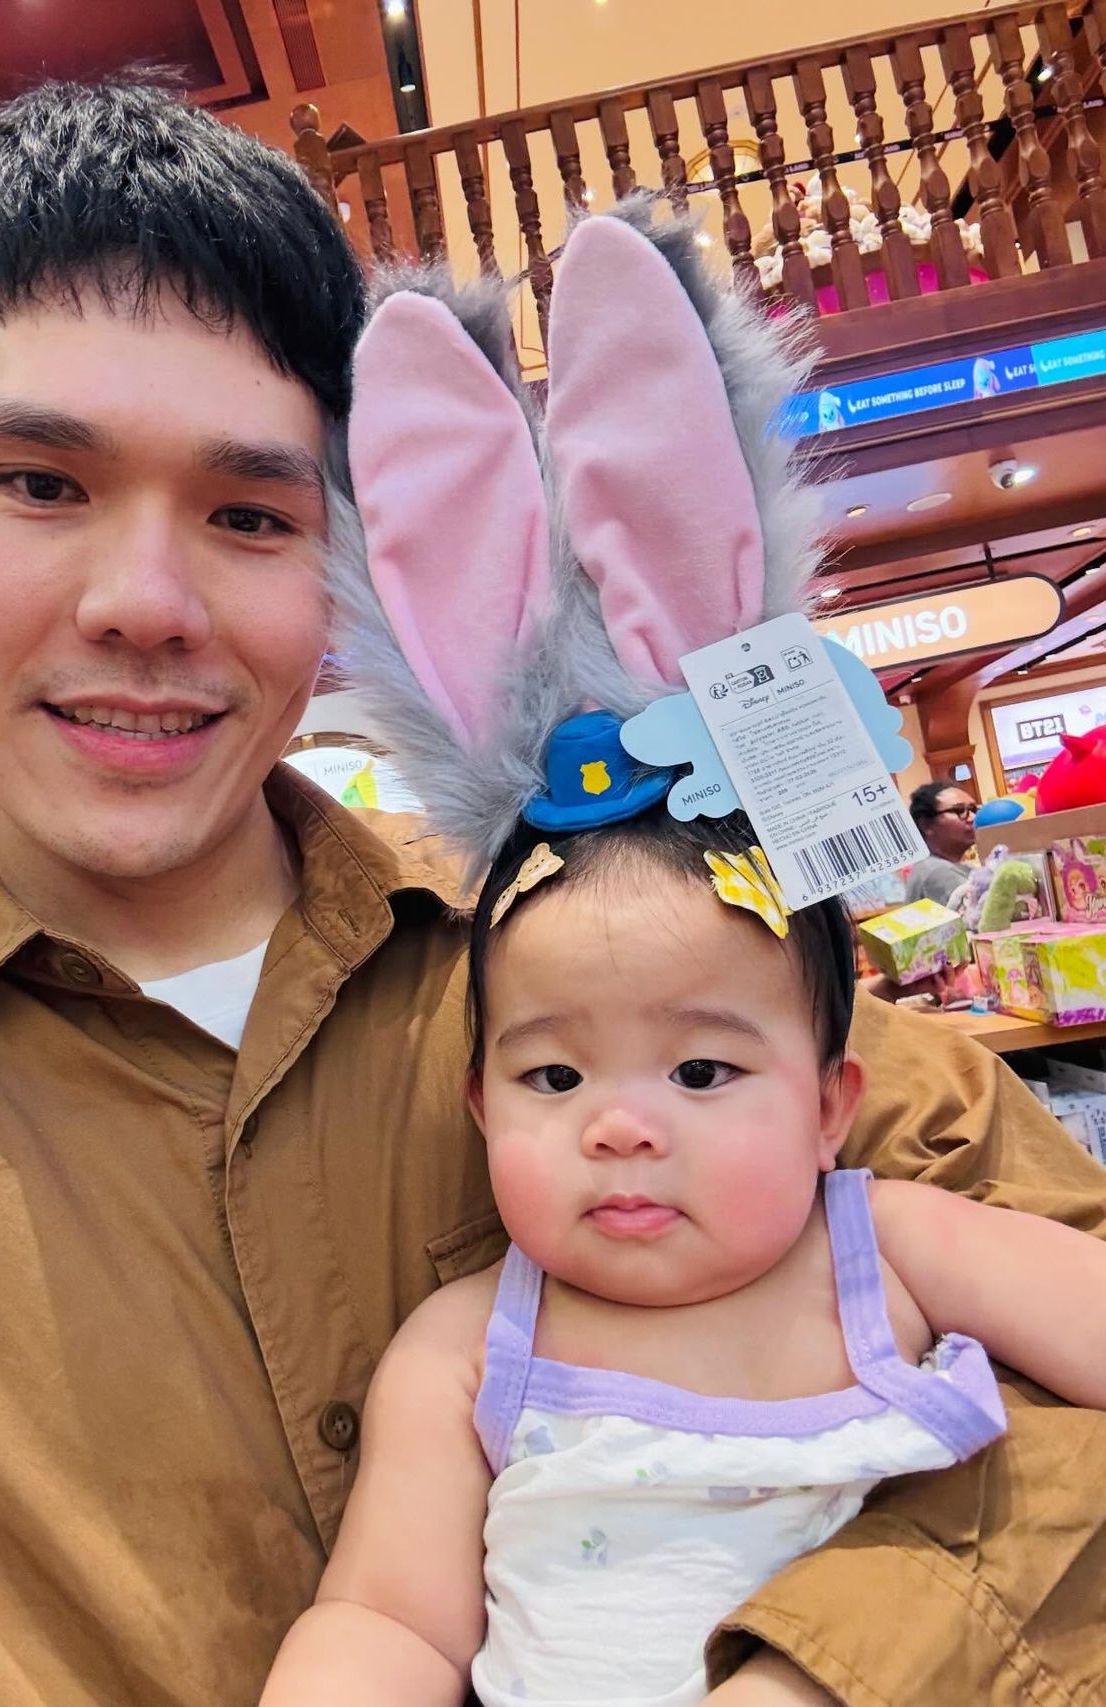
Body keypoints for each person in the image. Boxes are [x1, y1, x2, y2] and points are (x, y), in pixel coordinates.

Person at [0, 76, 1103, 1707]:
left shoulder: (623, 939)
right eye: (40, 483)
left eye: (249, 512)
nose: (144, 601)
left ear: (346, 558)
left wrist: (820, 1663)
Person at [262, 211, 1104, 1704]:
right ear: (475, 1103)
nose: (621, 1122)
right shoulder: (467, 1348)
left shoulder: (893, 1251)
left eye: (704, 1069)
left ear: (831, 1104)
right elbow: (388, 1617)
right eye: (552, 1075)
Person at [904, 780, 977, 906]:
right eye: (959, 810)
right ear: (927, 825)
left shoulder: (955, 866)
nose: (973, 818)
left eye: (973, 809)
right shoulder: (936, 871)